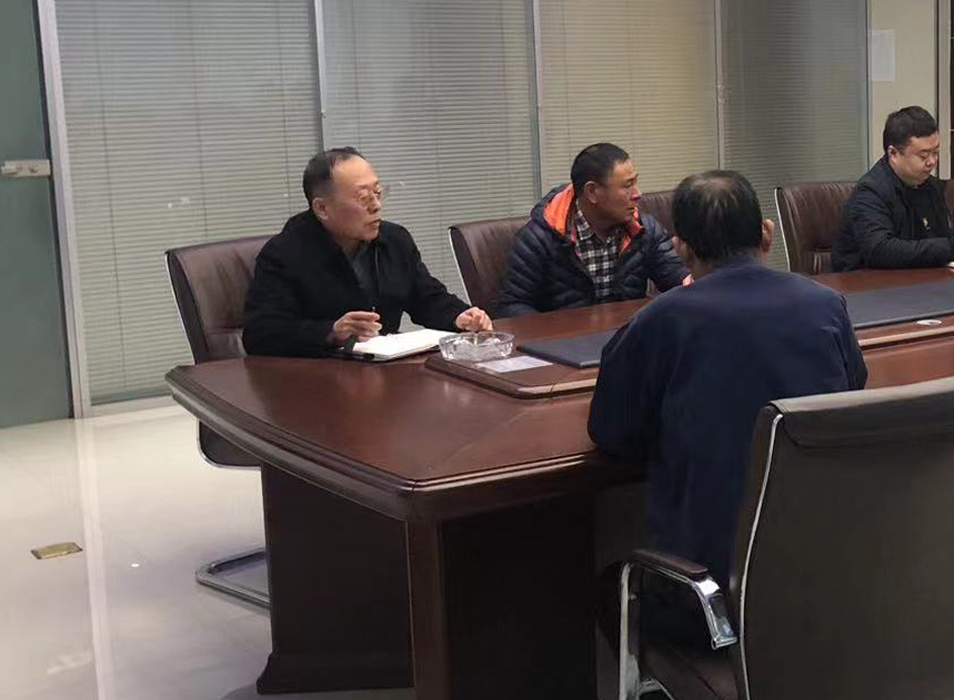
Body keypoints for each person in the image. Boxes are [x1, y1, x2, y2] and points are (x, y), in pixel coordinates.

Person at [589, 170, 867, 588]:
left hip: (707, 584)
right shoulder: (826, 306)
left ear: (681, 249)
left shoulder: (661, 320)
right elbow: (852, 391)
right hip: (822, 569)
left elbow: (612, 433)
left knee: (611, 578)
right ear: (766, 234)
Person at [244, 148, 491, 358]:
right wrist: (331, 332)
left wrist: (459, 316)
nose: (376, 206)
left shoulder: (394, 240)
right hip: (318, 380)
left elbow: (426, 297)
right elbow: (260, 335)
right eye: (363, 197)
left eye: (378, 193)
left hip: (386, 372)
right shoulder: (284, 254)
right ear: (322, 208)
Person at [491, 143, 688, 318]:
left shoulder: (643, 229)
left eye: (636, 182)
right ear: (592, 192)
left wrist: (693, 282)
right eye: (627, 186)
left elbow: (677, 278)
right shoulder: (540, 238)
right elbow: (512, 305)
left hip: (628, 338)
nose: (638, 194)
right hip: (566, 341)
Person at [832, 106, 954, 271]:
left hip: (920, 279)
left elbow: (940, 235)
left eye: (935, 153)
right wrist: (948, 249)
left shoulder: (931, 186)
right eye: (923, 155)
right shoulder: (870, 192)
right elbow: (879, 250)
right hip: (865, 282)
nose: (932, 162)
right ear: (893, 153)